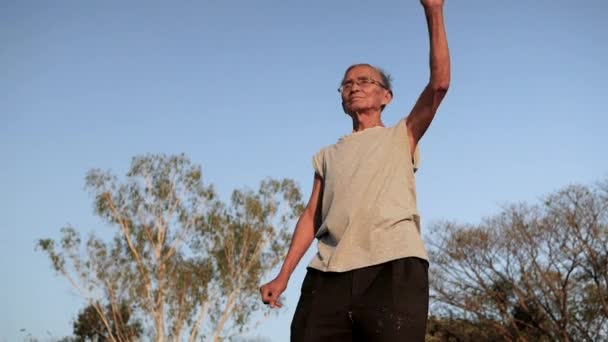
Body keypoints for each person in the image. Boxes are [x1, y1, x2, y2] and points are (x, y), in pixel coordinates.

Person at [259, 0, 450, 340]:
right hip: (327, 275)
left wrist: (433, 10)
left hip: (392, 267)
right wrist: (283, 275)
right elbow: (311, 216)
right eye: (347, 84)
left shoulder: (401, 134)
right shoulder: (327, 155)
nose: (354, 87)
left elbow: (439, 85)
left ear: (386, 96)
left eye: (364, 80)